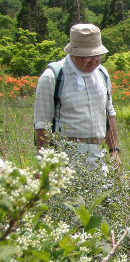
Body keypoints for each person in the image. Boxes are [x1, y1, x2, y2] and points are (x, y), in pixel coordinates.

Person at [33, 23, 121, 168]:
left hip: (98, 158)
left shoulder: (102, 74)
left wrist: (114, 151)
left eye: (97, 55)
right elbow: (42, 124)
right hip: (65, 159)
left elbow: (109, 113)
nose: (94, 61)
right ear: (74, 53)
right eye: (87, 56)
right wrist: (44, 166)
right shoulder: (52, 76)